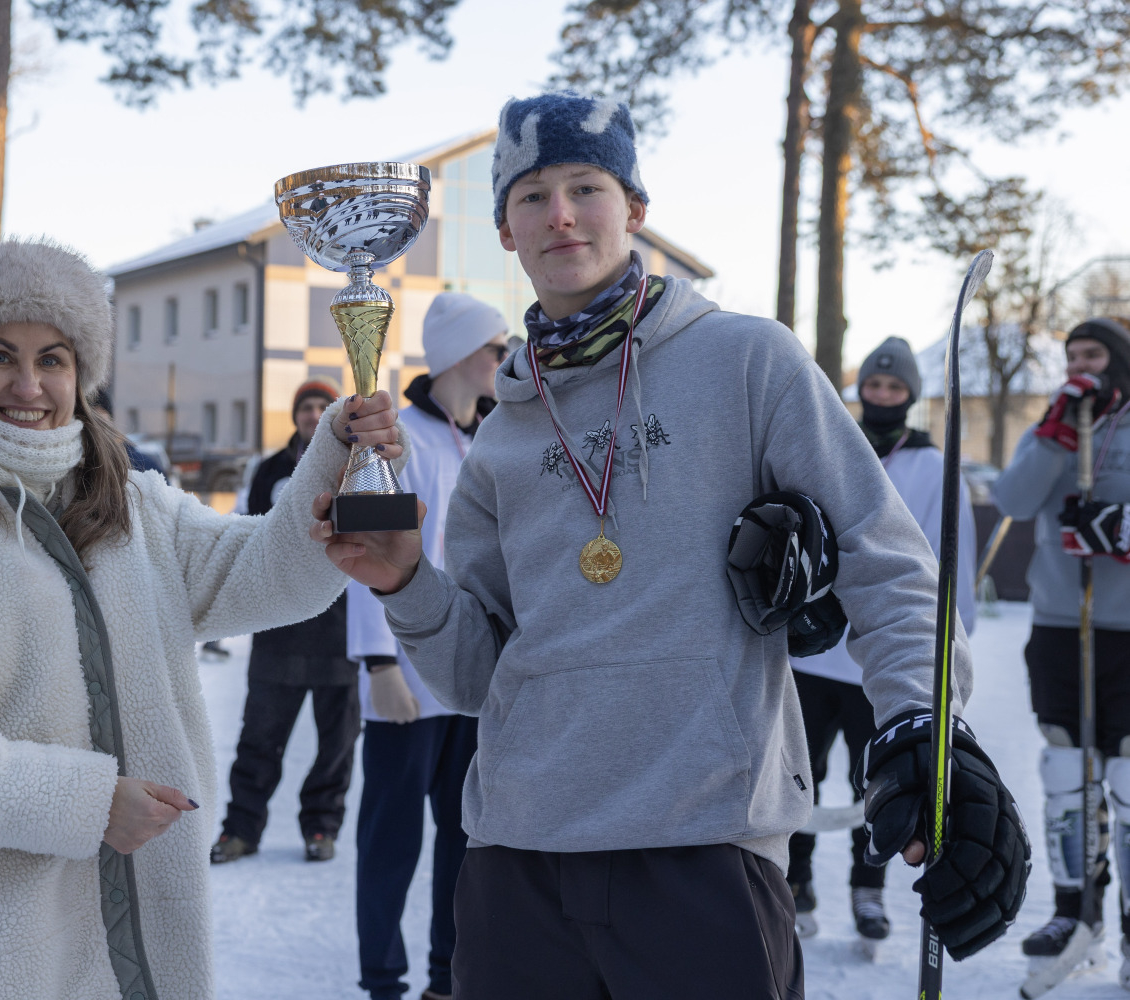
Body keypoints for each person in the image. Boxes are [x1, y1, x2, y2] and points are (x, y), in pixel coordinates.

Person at [310, 91, 1029, 998]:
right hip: (516, 862)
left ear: (635, 209)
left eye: (586, 186)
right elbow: (474, 674)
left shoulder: (747, 361)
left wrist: (924, 722)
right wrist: (407, 581)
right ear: (505, 231)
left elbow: (884, 558)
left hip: (703, 848)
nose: (560, 213)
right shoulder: (502, 437)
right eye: (530, 196)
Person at [0, 238, 402, 1000]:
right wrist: (85, 804)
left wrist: (337, 459)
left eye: (53, 358)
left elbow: (260, 574)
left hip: (141, 952)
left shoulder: (129, 503)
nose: (29, 385)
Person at [785, 337, 977, 945]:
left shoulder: (932, 466)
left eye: (895, 390)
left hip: (882, 657)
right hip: (811, 654)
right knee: (799, 777)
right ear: (860, 390)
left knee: (880, 782)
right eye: (874, 387)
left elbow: (953, 561)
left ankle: (868, 892)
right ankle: (796, 883)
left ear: (911, 397)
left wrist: (949, 649)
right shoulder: (830, 448)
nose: (883, 397)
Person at [346, 293, 506, 1000]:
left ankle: (449, 977)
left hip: (472, 679)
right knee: (389, 844)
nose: (505, 359)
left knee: (465, 842)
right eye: (496, 348)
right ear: (459, 357)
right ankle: (383, 980)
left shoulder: (501, 442)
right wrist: (378, 663)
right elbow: (364, 550)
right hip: (405, 685)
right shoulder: (392, 438)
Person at [993, 317, 1130, 977]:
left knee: (1127, 774)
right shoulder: (1051, 426)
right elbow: (1014, 499)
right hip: (1058, 622)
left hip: (1128, 628)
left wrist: (1119, 526)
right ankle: (1075, 908)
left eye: (1095, 354)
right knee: (1064, 766)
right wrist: (1052, 437)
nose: (1082, 365)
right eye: (1073, 354)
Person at [209, 375, 361, 865]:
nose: (314, 414)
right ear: (295, 415)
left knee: (335, 747)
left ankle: (321, 828)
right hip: (278, 629)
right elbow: (252, 533)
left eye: (322, 406)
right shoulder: (271, 469)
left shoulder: (358, 467)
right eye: (306, 407)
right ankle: (241, 829)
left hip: (339, 633)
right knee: (259, 739)